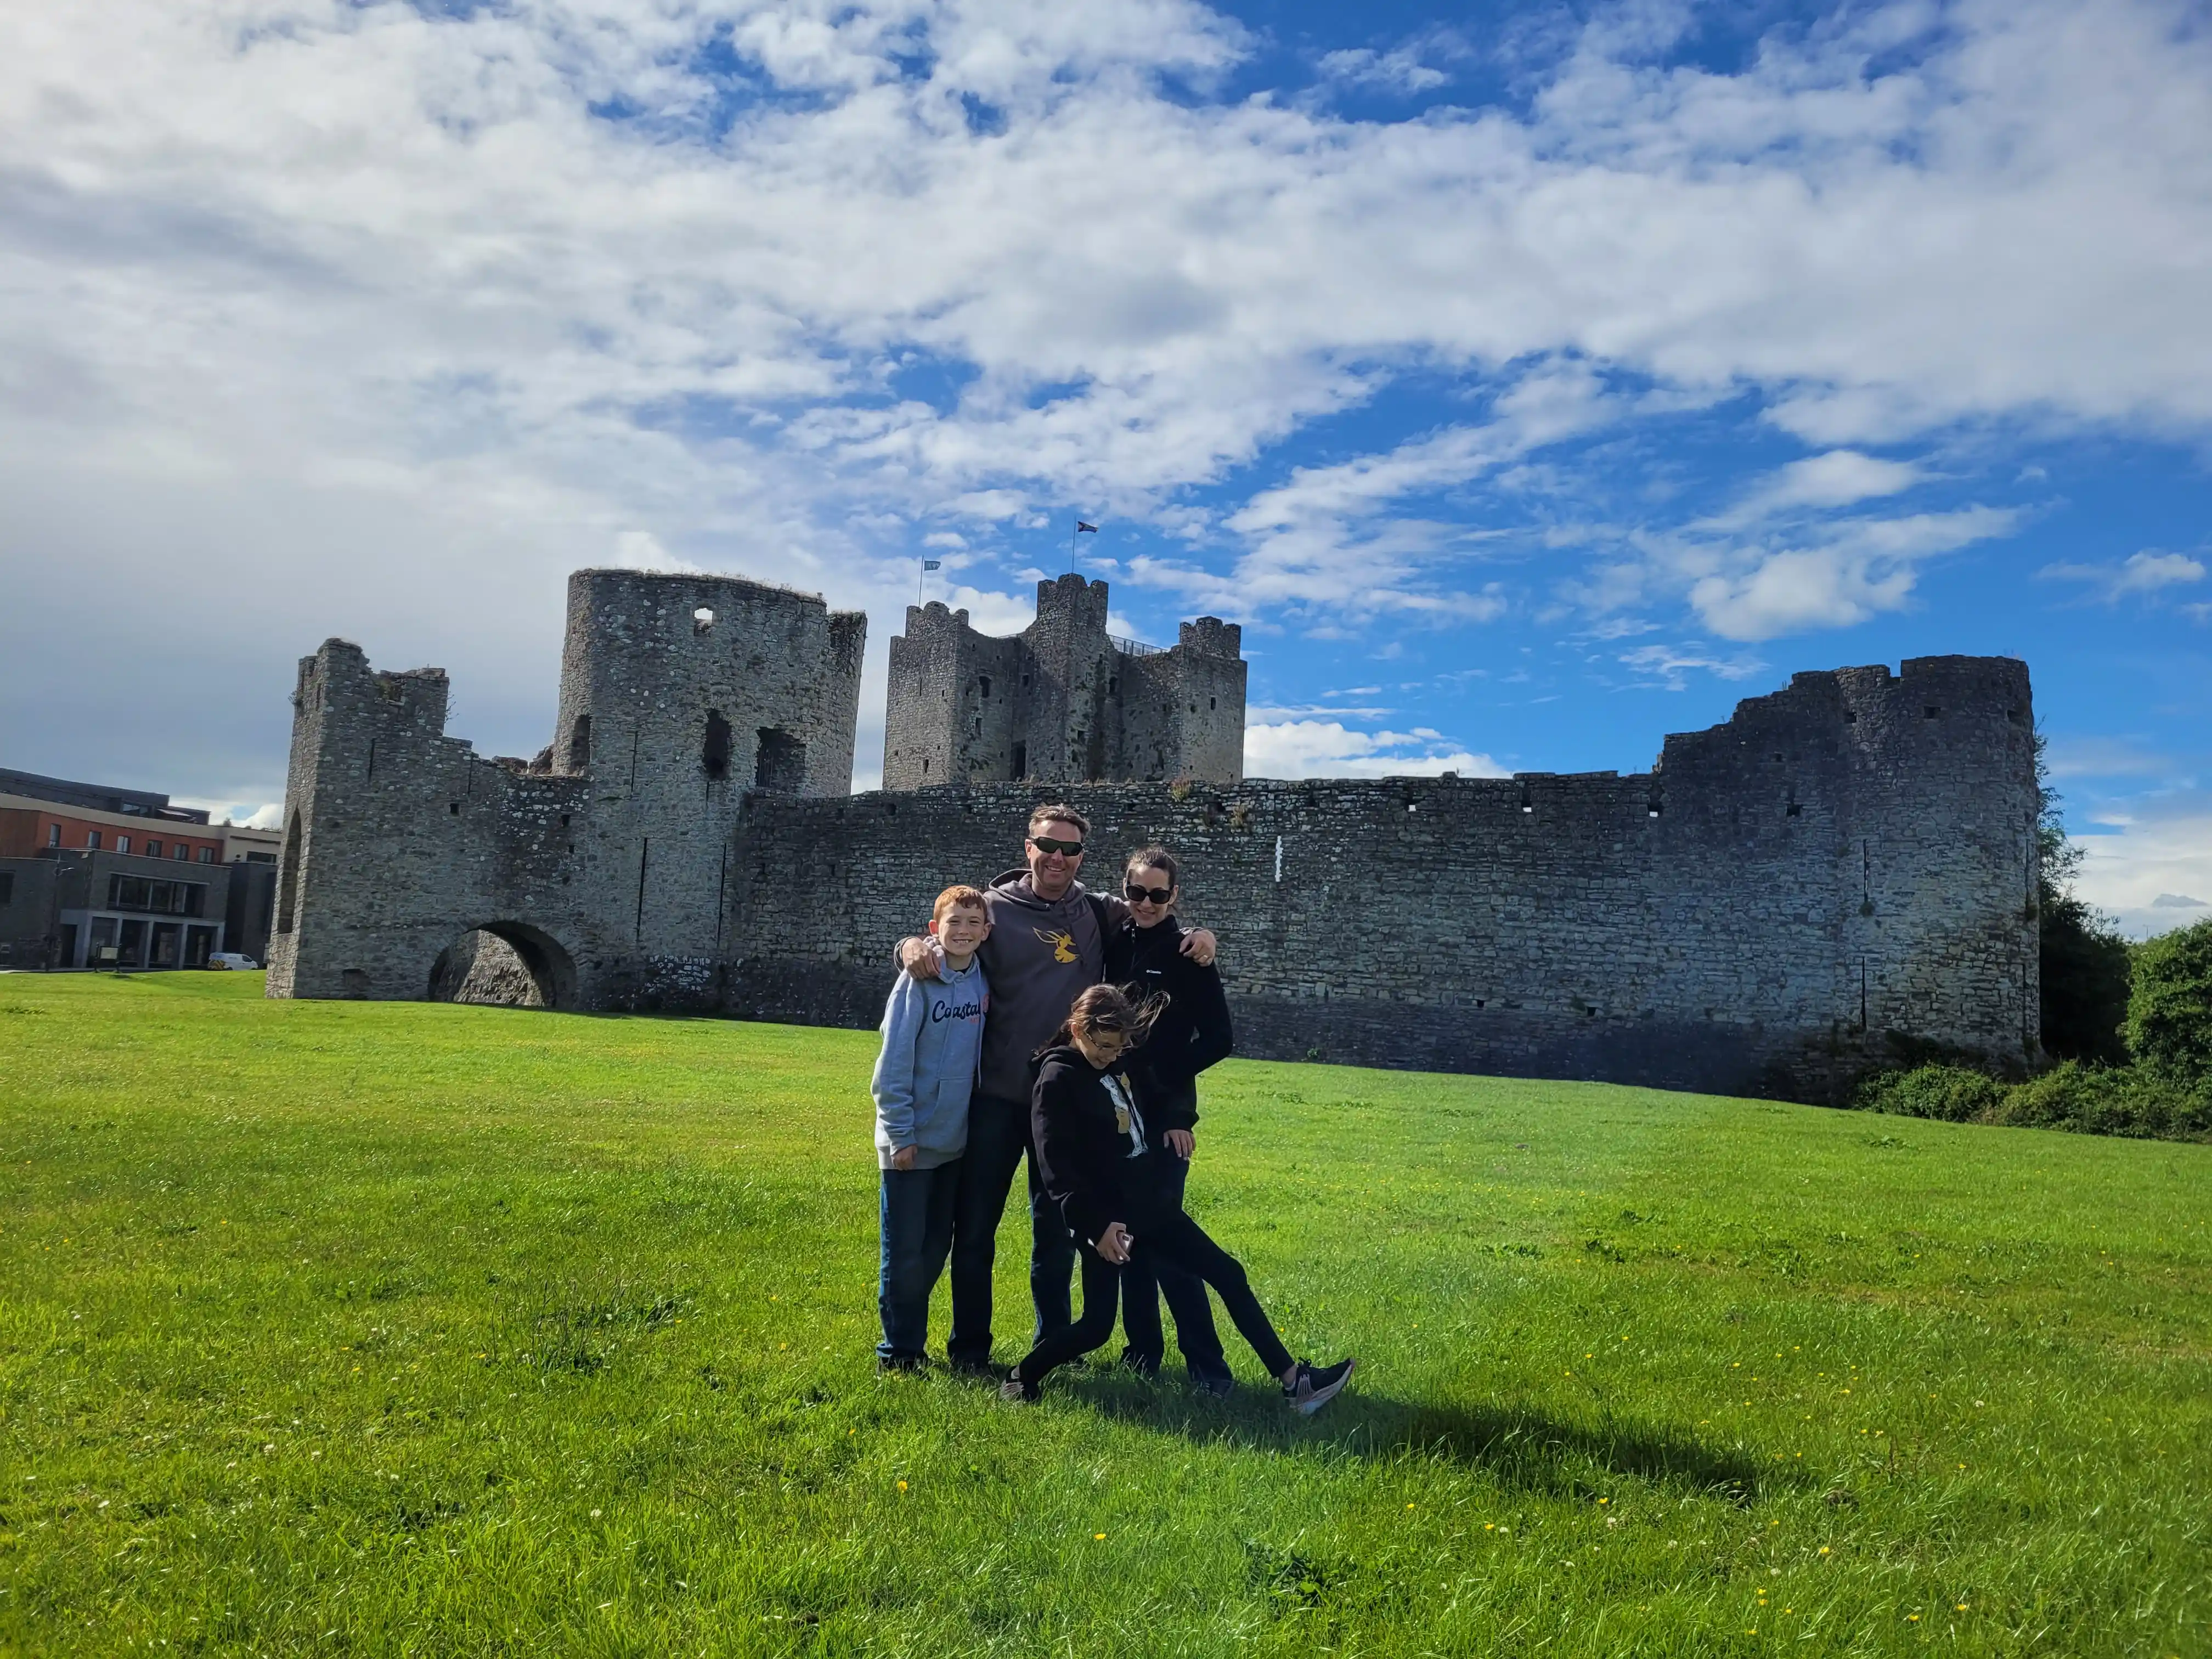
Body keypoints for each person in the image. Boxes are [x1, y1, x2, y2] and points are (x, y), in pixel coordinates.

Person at [895, 804, 1215, 1375]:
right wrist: (909, 948)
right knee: (975, 1233)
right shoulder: (993, 911)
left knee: (1057, 1236)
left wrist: (1200, 936)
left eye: (1070, 850)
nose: (1058, 858)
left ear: (1082, 858)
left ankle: (1053, 1346)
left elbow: (1156, 917)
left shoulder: (1097, 910)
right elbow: (951, 937)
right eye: (1048, 846)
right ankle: (969, 1351)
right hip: (997, 1096)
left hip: (1066, 1103)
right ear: (1028, 848)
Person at [1001, 984, 1355, 1413]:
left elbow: (1161, 1089)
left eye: (1119, 1047)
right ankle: (1022, 1377)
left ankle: (1296, 1384)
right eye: (1103, 1045)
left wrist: (1175, 1121)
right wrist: (1095, 1226)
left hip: (1151, 1207)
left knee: (1228, 1274)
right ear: (1077, 1028)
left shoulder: (1123, 1060)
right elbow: (1054, 1164)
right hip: (1107, 1220)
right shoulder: (1057, 1079)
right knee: (1096, 1328)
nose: (1112, 1055)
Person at [1106, 846, 1236, 1394]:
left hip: (1163, 1120)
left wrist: (1169, 1092)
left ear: (1174, 896)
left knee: (1168, 1242)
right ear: (1125, 890)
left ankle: (1209, 1368)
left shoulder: (1189, 955)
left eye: (1159, 895)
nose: (1147, 904)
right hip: (1113, 1115)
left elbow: (1218, 1039)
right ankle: (1142, 1354)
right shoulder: (1113, 942)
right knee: (1131, 1241)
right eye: (1137, 893)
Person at [868, 885, 990, 1370]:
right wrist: (900, 1134)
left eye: (972, 923)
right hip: (910, 1145)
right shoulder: (917, 982)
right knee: (903, 1256)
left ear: (986, 932)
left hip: (954, 1144)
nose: (962, 931)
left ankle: (912, 1338)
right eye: (953, 923)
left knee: (936, 1246)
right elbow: (893, 1062)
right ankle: (898, 1353)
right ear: (934, 930)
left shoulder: (983, 982)